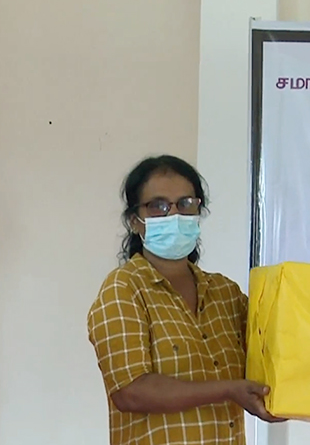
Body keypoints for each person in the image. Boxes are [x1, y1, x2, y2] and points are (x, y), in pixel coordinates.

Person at [87, 155, 283, 445]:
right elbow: (131, 392)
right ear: (135, 222)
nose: (174, 215)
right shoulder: (124, 289)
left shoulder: (225, 293)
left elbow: (271, 353)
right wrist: (227, 390)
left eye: (186, 204)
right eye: (158, 206)